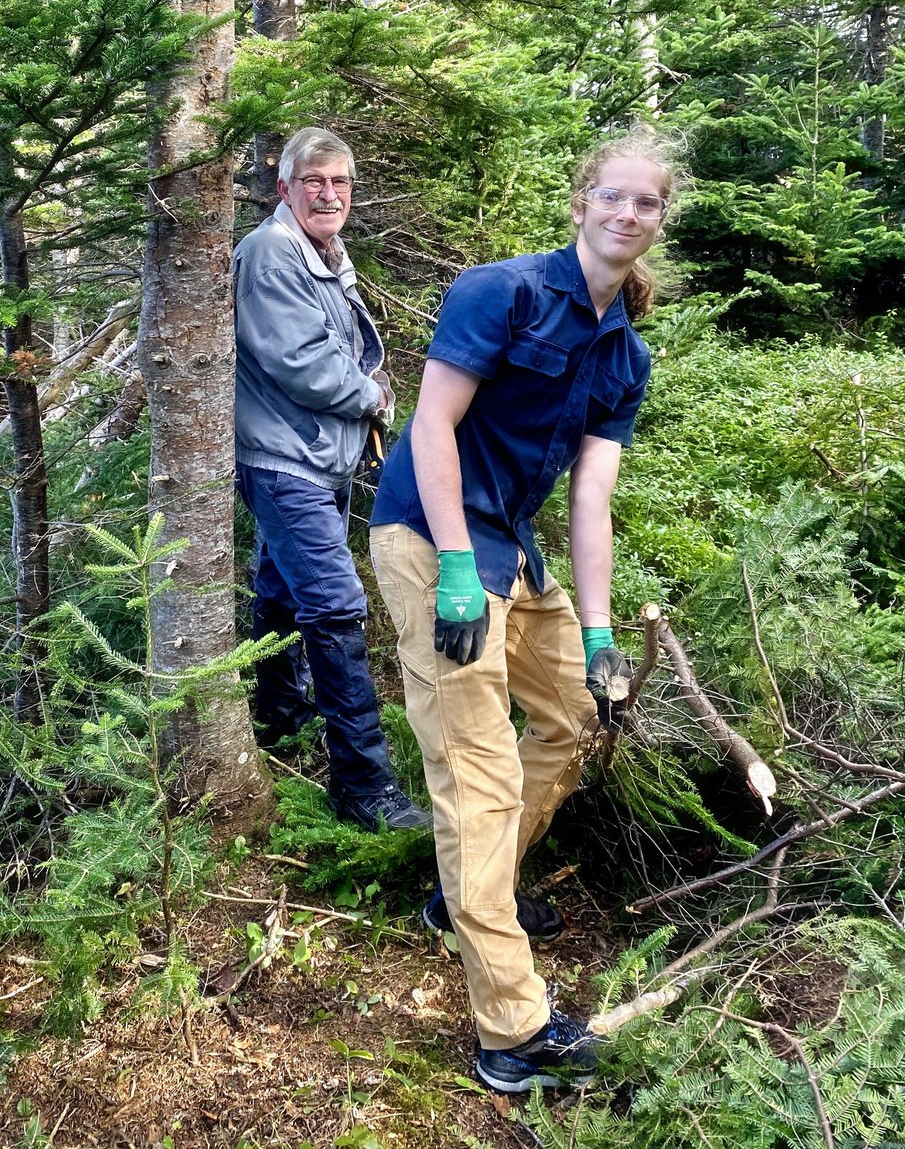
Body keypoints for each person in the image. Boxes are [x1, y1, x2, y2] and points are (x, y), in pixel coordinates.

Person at [369, 124, 683, 1090]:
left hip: (516, 548)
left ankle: (473, 889)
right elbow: (432, 424)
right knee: (480, 771)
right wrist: (459, 567)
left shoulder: (624, 355)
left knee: (580, 717)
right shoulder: (499, 292)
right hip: (433, 539)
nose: (627, 214)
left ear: (660, 219)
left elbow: (592, 499)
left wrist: (595, 629)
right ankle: (511, 1033)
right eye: (614, 196)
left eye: (648, 203)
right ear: (583, 200)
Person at [234, 126, 431, 832]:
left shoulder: (322, 251)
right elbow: (299, 362)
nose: (328, 193)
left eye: (340, 181)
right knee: (336, 603)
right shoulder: (269, 253)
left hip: (314, 455)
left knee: (283, 588)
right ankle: (363, 784)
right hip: (284, 458)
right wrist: (373, 398)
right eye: (313, 180)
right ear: (283, 188)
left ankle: (280, 717)